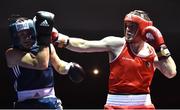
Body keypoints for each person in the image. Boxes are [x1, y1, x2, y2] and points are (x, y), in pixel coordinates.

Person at [51, 10, 177, 109]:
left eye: (132, 27)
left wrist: (161, 46)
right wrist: (60, 39)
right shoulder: (117, 44)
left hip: (143, 105)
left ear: (143, 30)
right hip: (115, 105)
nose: (127, 30)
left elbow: (171, 73)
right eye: (126, 26)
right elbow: (84, 45)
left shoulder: (153, 51)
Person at [5, 11, 85, 109]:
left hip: (50, 100)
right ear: (15, 36)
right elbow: (39, 64)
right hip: (25, 103)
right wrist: (44, 35)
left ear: (34, 32)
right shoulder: (11, 54)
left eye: (29, 32)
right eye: (22, 34)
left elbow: (59, 66)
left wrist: (69, 67)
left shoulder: (47, 47)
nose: (27, 37)